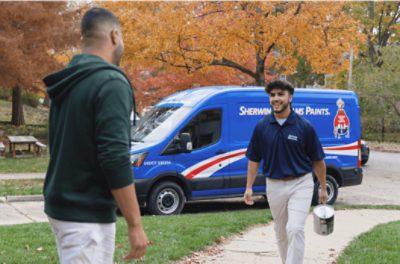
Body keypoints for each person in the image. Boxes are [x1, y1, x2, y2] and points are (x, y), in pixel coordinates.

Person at [42, 7, 148, 263]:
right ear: (114, 36)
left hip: (63, 206)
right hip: (85, 215)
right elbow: (114, 157)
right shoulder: (110, 82)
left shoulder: (70, 80)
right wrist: (135, 224)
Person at [243, 80, 328, 264]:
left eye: (280, 94)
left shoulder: (304, 126)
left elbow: (318, 160)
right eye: (272, 95)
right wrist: (248, 187)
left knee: (295, 229)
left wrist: (322, 187)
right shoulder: (261, 127)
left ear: (290, 97)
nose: (276, 98)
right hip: (274, 185)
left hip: (301, 183)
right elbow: (254, 159)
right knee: (281, 232)